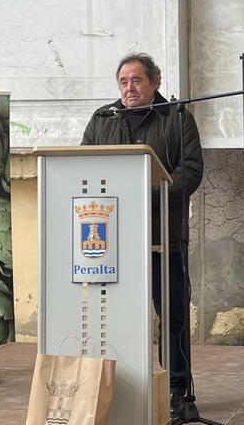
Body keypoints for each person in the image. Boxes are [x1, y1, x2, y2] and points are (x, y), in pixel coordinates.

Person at [82, 53, 203, 416]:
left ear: (154, 83)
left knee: (173, 316)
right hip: (112, 240)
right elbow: (84, 165)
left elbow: (191, 171)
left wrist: (143, 193)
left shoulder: (177, 118)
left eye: (136, 80)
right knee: (117, 317)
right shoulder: (102, 118)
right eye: (123, 81)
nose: (129, 88)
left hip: (165, 237)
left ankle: (177, 388)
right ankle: (123, 388)